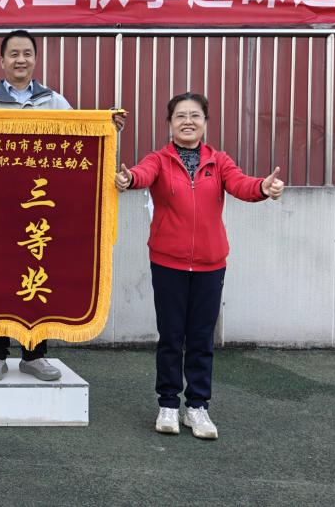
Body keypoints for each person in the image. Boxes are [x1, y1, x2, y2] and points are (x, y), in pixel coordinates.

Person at [0, 29, 126, 383]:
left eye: (27, 54)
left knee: (39, 272)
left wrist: (108, 129)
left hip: (42, 210)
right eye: (14, 54)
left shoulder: (55, 102)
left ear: (35, 59)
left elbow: (78, 142)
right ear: (2, 61)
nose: (20, 60)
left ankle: (34, 355)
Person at [115, 92, 284, 439]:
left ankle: (197, 407)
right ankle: (167, 404)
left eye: (195, 115)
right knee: (171, 337)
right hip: (168, 263)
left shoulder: (219, 161)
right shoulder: (159, 160)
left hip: (210, 265)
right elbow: (142, 175)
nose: (188, 122)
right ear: (169, 123)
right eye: (180, 116)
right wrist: (129, 178)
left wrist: (263, 187)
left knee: (201, 339)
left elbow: (242, 184)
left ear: (205, 122)